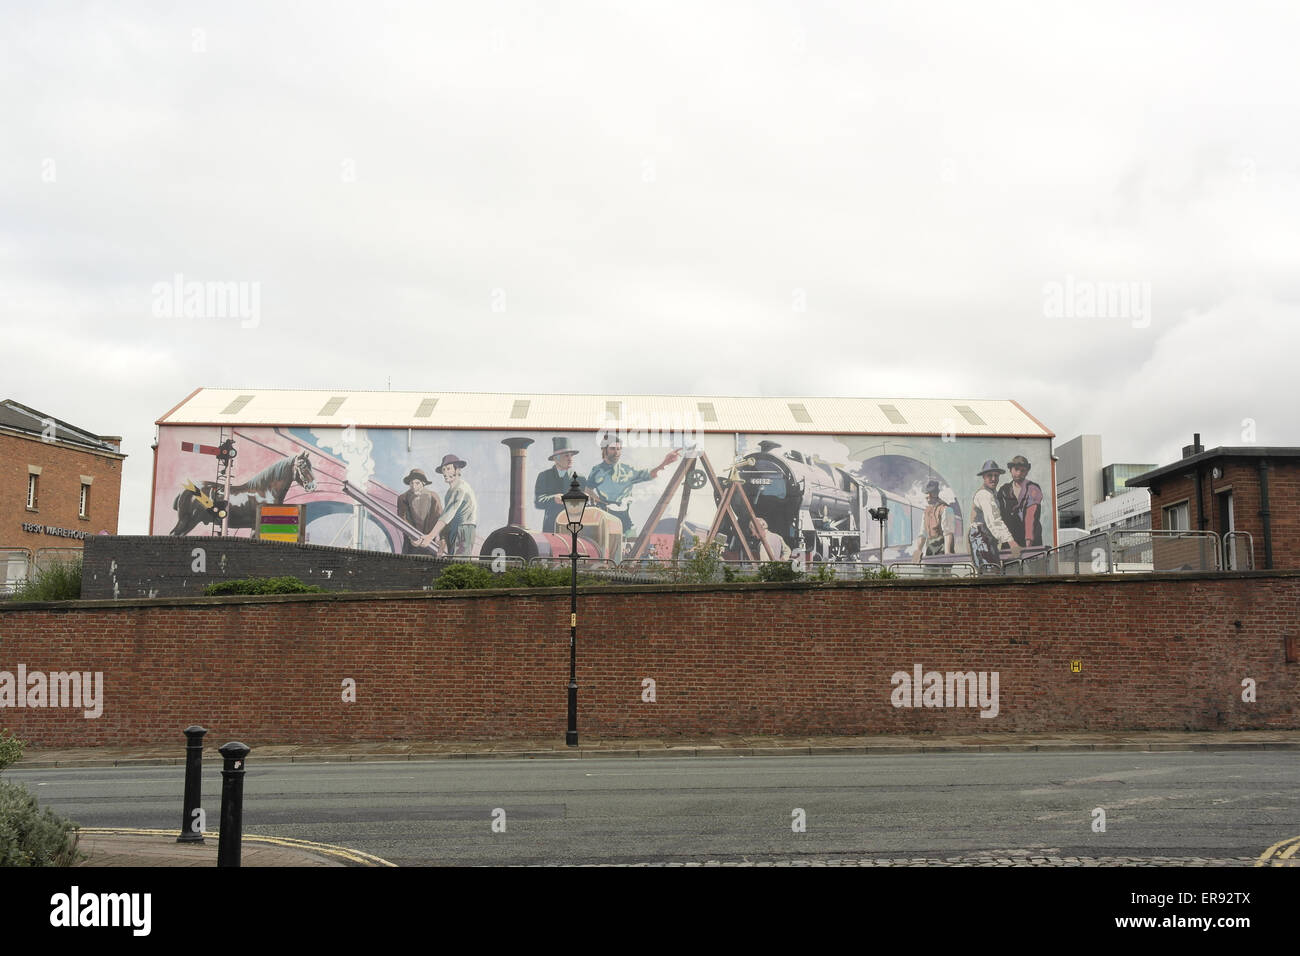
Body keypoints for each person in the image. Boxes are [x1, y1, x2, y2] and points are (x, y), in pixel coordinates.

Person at [586, 433, 680, 536]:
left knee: (630, 545)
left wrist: (665, 462)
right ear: (604, 450)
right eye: (613, 448)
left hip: (624, 519)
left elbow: (649, 474)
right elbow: (588, 489)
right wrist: (601, 502)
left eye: (619, 449)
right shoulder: (597, 470)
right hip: (604, 518)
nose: (617, 452)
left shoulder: (627, 470)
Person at [417, 454, 477, 556]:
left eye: (448, 469)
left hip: (464, 529)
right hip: (454, 529)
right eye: (443, 470)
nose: (445, 473)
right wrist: (443, 539)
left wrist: (430, 536)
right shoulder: (450, 492)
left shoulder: (461, 488)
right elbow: (447, 516)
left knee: (459, 563)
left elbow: (448, 514)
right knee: (452, 561)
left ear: (457, 470)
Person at [969, 460, 1020, 570]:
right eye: (989, 476)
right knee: (989, 571)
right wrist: (1011, 541)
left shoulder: (993, 493)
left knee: (994, 569)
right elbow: (994, 521)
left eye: (996, 476)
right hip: (980, 537)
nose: (993, 479)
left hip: (987, 536)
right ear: (983, 477)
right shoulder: (984, 495)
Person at [534, 437, 584, 533]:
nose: (570, 459)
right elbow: (538, 502)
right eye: (566, 456)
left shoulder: (580, 478)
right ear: (556, 459)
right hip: (551, 528)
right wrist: (553, 499)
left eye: (571, 455)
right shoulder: (544, 476)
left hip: (574, 529)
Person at [996, 455, 1044, 547]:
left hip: (1031, 539)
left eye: (1023, 470)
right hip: (1010, 540)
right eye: (1016, 469)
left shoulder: (1033, 488)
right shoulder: (1004, 490)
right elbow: (1000, 516)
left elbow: (1031, 516)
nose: (1019, 473)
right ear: (1010, 470)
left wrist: (1028, 544)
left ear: (1027, 471)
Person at [397, 468, 443, 554]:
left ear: (423, 483)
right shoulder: (403, 498)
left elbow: (441, 518)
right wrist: (411, 536)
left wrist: (441, 539)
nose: (414, 487)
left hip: (429, 541)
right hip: (410, 541)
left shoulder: (433, 497)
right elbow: (402, 518)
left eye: (417, 483)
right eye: (411, 483)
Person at [911, 479, 954, 562]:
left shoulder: (946, 509)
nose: (928, 496)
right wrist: (918, 551)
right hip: (930, 547)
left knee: (942, 574)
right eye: (927, 493)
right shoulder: (926, 511)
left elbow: (948, 533)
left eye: (930, 493)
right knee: (929, 572)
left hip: (943, 546)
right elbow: (922, 534)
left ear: (935, 494)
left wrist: (947, 553)